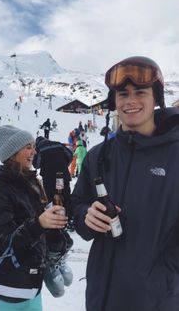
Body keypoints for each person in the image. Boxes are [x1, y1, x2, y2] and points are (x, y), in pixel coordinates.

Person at [71, 56, 179, 311]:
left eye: (140, 92)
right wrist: (85, 216)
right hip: (101, 298)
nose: (130, 101)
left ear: (156, 99)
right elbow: (76, 204)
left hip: (156, 301)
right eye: (122, 94)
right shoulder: (99, 155)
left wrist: (163, 279)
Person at [0, 125, 71, 311]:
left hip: (32, 276)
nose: (34, 152)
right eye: (28, 147)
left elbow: (35, 222)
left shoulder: (30, 181)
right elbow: (1, 242)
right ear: (13, 153)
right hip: (11, 282)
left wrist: (55, 228)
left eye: (33, 146)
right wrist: (39, 223)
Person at [33, 136, 73, 224]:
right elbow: (70, 155)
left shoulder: (39, 148)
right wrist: (64, 164)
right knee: (65, 195)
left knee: (52, 197)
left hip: (50, 179)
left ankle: (56, 220)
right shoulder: (58, 144)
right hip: (62, 175)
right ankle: (70, 218)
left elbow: (36, 164)